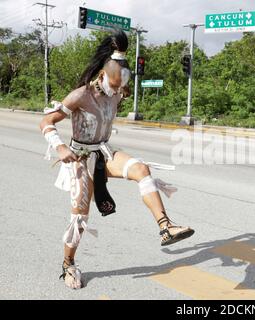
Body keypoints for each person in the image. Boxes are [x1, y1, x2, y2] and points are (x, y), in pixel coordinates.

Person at [39, 30, 194, 290]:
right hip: (80, 158)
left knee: (142, 169)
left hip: (104, 153)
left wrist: (120, 88)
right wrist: (60, 147)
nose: (119, 92)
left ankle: (165, 227)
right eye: (115, 85)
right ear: (102, 75)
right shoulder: (81, 95)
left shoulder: (118, 92)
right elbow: (47, 121)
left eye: (122, 86)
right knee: (80, 218)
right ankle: (68, 263)